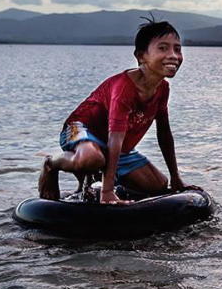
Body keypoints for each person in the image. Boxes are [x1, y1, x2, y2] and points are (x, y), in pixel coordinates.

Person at [37, 19, 193, 204]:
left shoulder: (162, 89)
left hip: (116, 147)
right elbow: (115, 137)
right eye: (163, 48)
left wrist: (175, 177)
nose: (173, 55)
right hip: (80, 130)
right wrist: (107, 191)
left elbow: (164, 133)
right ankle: (51, 163)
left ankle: (94, 180)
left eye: (177, 49)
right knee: (91, 158)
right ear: (141, 56)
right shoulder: (124, 87)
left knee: (158, 185)